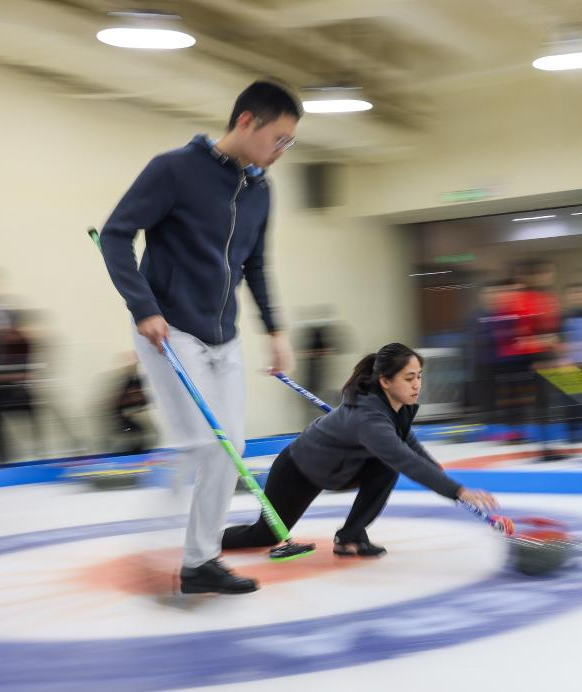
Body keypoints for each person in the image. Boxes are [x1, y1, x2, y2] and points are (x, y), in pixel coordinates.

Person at [99, 81, 301, 594]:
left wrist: (276, 331)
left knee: (230, 446)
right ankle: (165, 537)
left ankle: (199, 563)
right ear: (247, 121)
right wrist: (143, 308)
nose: (281, 152)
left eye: (289, 143)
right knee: (207, 446)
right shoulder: (174, 169)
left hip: (223, 335)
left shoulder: (260, 191)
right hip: (169, 328)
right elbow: (118, 234)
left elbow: (255, 265)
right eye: (278, 138)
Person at [222, 343, 499, 556]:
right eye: (409, 378)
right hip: (299, 469)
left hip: (339, 469)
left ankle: (351, 536)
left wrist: (433, 465)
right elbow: (404, 458)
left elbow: (407, 440)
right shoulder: (369, 419)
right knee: (264, 537)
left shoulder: (398, 405)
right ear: (385, 381)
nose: (417, 385)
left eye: (419, 376)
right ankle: (207, 540)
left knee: (386, 464)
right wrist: (457, 491)